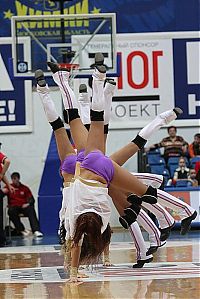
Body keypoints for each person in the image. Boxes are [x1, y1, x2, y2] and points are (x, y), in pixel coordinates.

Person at [3, 172, 43, 238]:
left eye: (15, 179)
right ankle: (21, 230)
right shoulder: (9, 187)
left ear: (18, 179)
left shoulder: (25, 188)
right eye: (12, 179)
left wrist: (28, 204)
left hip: (23, 206)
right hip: (14, 207)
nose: (14, 180)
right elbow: (3, 193)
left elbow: (31, 199)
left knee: (31, 209)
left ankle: (36, 230)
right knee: (11, 211)